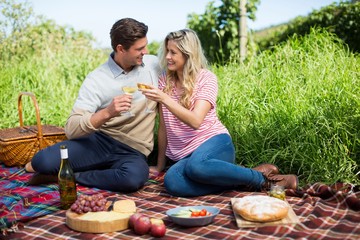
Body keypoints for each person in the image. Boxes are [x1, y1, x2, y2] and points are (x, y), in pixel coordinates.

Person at [140, 29, 298, 197]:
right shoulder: (165, 81)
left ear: (188, 54)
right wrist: (159, 166)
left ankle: (263, 180)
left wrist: (165, 99)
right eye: (167, 51)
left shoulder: (206, 78)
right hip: (186, 156)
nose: (167, 57)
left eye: (173, 52)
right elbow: (164, 128)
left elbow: (195, 121)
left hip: (215, 143)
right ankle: (244, 177)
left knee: (197, 166)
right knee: (173, 182)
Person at [25, 18, 161, 192]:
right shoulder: (97, 79)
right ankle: (101, 172)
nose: (146, 51)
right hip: (98, 142)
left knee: (132, 179)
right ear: (120, 49)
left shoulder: (153, 65)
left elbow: (185, 66)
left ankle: (70, 176)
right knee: (41, 161)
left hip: (133, 150)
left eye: (146, 46)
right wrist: (107, 112)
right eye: (140, 49)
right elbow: (71, 128)